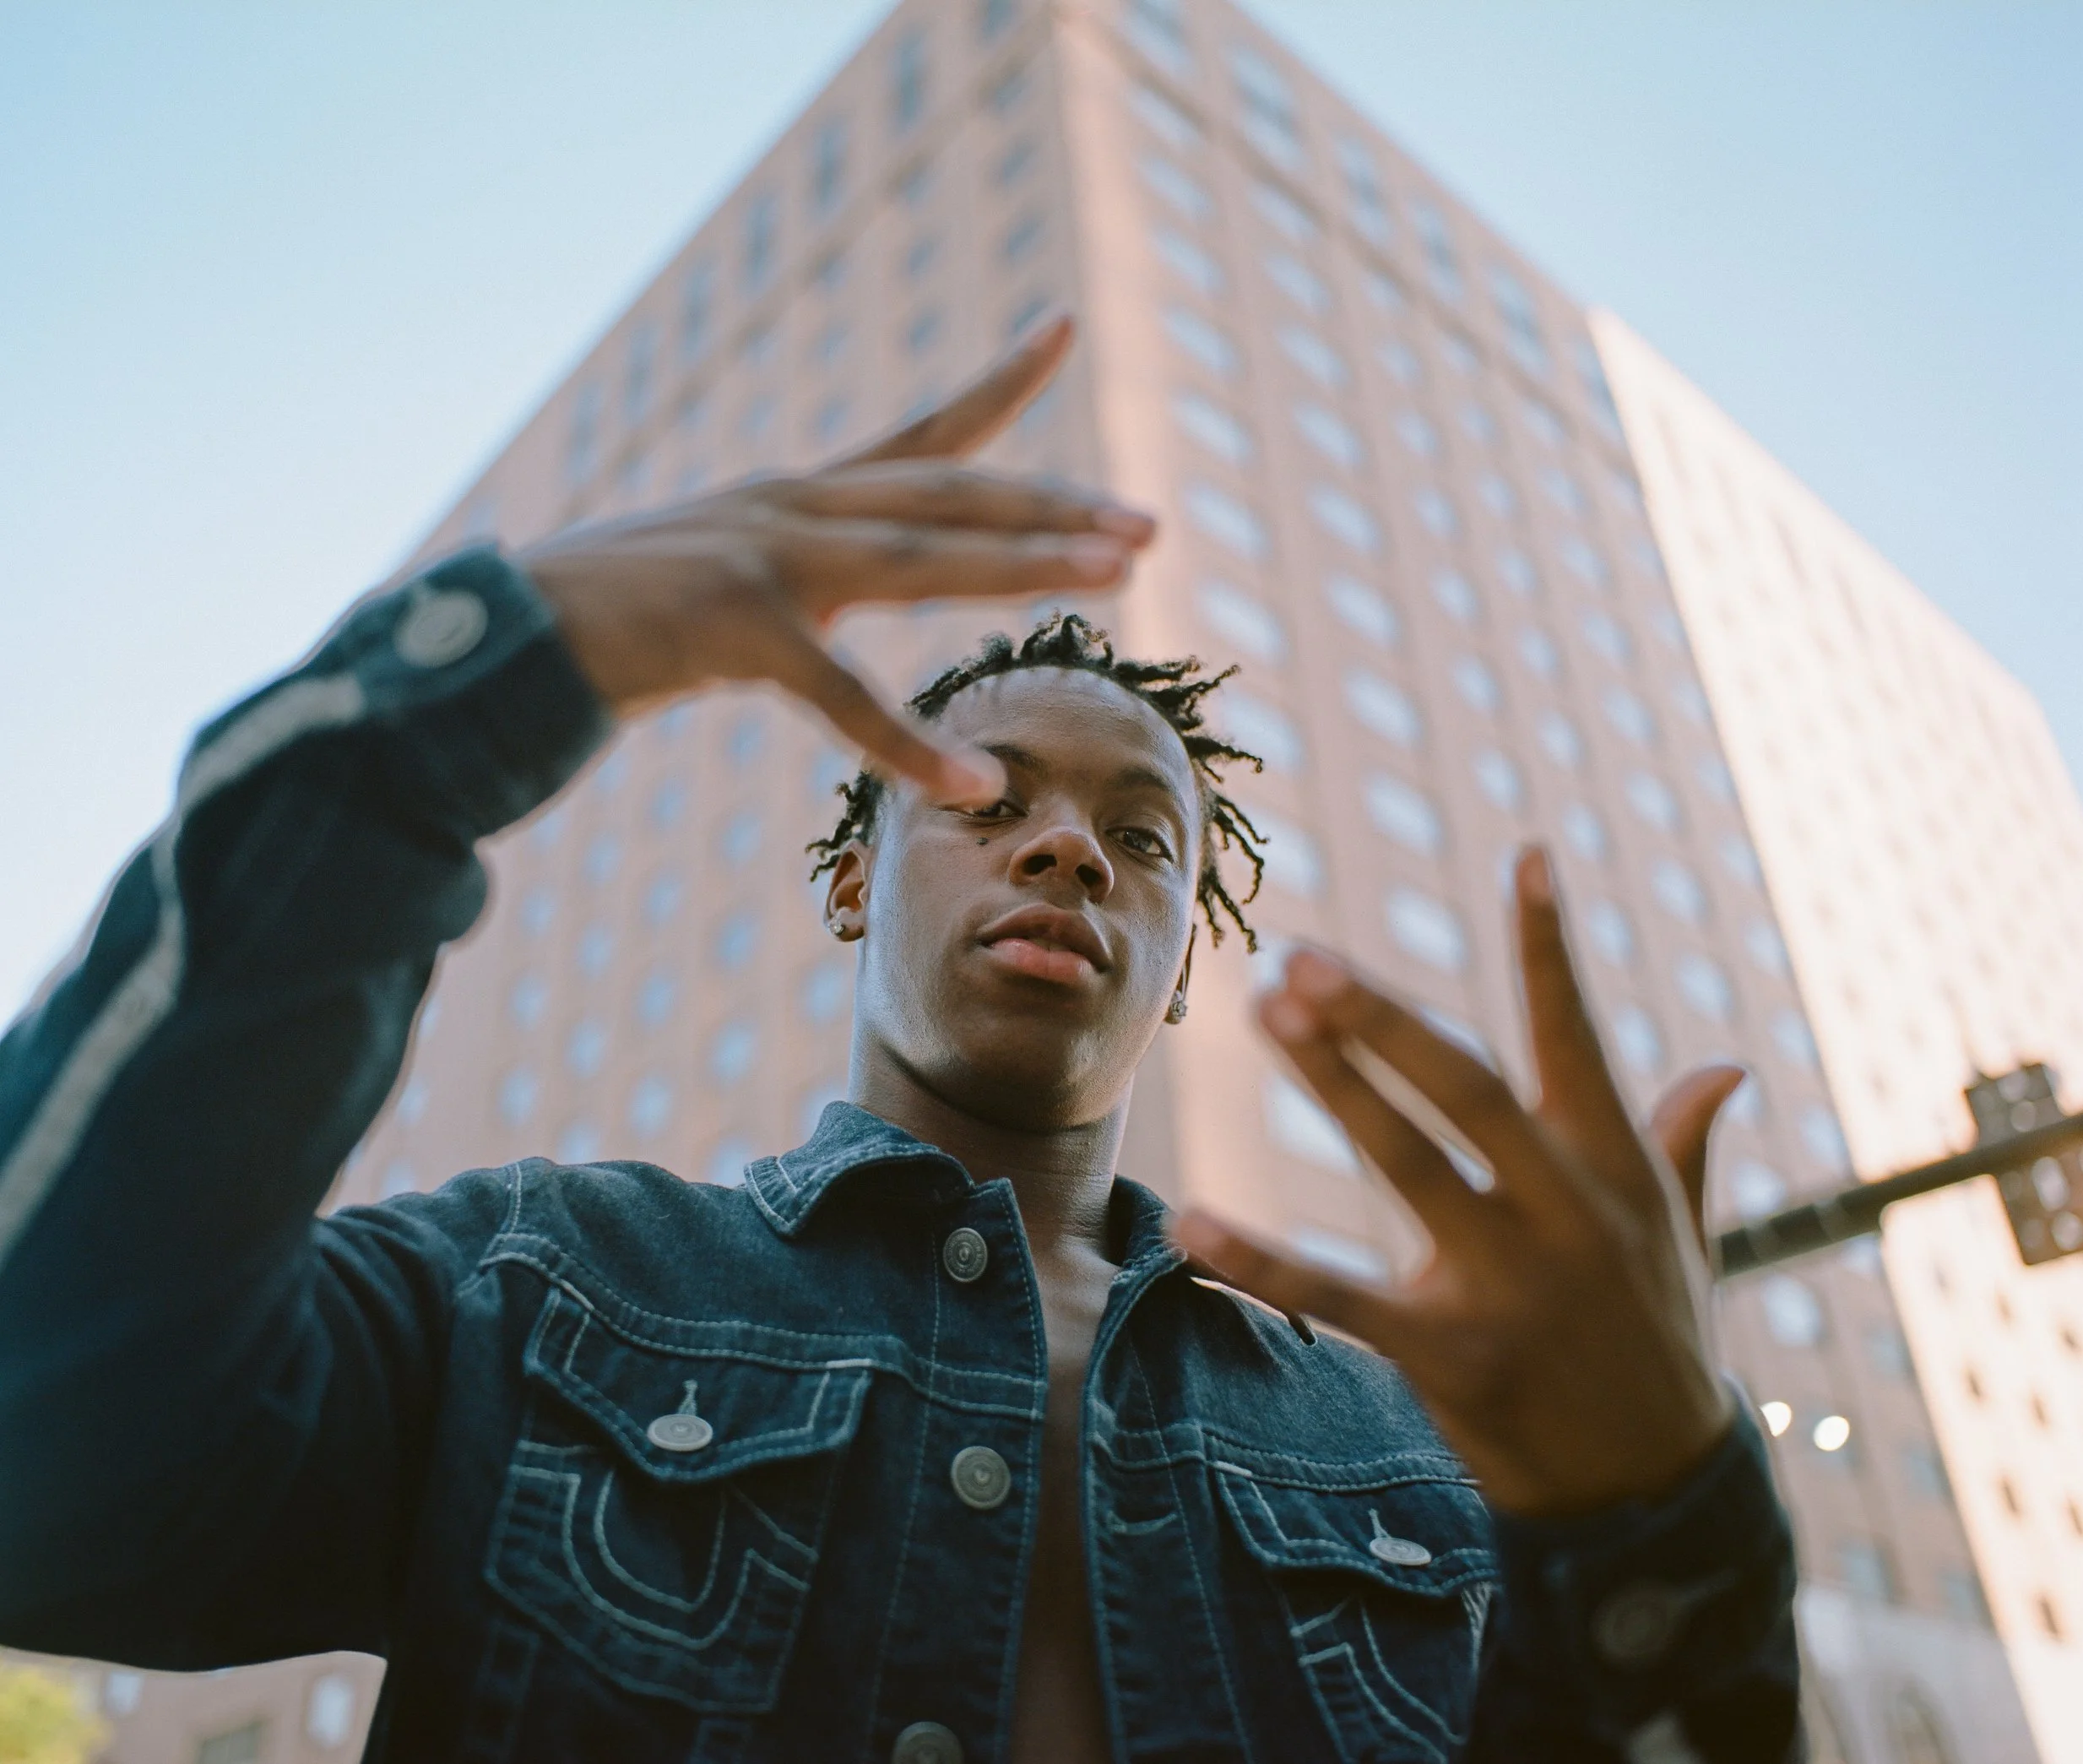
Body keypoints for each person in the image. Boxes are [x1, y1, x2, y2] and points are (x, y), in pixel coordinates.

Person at [0, 319, 1798, 1762]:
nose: (1067, 845)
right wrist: (447, 711)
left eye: (1140, 837)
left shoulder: (1401, 1450)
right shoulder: (536, 1288)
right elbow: (48, 1465)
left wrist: (1660, 1521)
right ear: (851, 883)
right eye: (977, 794)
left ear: (1177, 966)